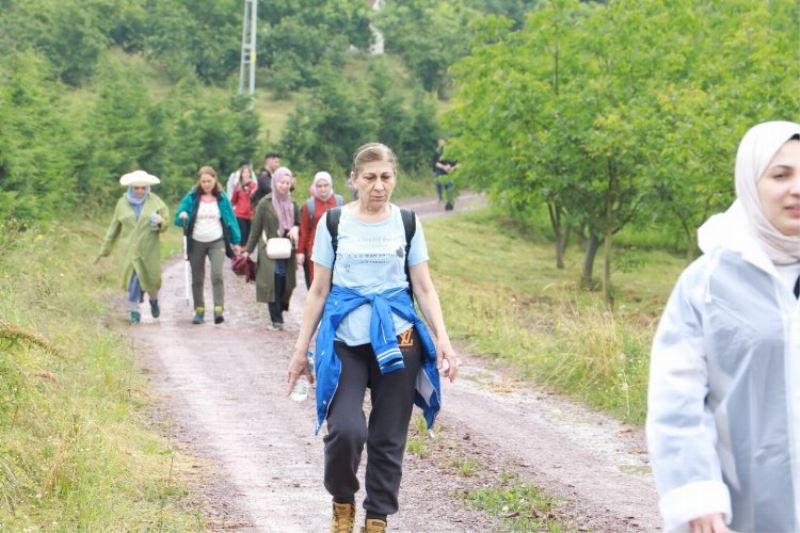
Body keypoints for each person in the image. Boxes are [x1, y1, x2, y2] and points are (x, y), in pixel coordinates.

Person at [286, 143, 459, 533]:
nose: (378, 186)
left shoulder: (408, 223)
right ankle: (342, 500)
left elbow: (424, 288)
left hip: (400, 341)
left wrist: (443, 341)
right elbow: (318, 291)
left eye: (386, 177)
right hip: (345, 341)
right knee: (347, 430)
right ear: (354, 180)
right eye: (370, 178)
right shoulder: (334, 223)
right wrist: (301, 352)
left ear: (393, 178)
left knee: (387, 436)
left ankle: (377, 519)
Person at [647, 121, 800, 533]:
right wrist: (697, 495)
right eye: (781, 175)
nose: (797, 188)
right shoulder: (709, 283)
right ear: (751, 183)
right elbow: (676, 401)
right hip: (741, 510)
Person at [97, 170, 169, 324]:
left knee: (151, 278)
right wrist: (105, 248)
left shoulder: (156, 202)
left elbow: (166, 222)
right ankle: (134, 310)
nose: (140, 191)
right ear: (131, 188)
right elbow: (114, 227)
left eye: (143, 188)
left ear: (147, 188)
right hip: (129, 248)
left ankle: (154, 300)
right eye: (136, 188)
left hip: (149, 248)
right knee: (133, 279)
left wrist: (161, 222)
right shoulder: (122, 204)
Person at [175, 166, 241, 325]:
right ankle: (199, 310)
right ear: (199, 181)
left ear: (215, 180)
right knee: (197, 278)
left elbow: (231, 219)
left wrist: (236, 241)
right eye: (203, 181)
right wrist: (182, 215)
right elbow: (178, 217)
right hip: (196, 241)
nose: (206, 184)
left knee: (217, 275)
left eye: (209, 181)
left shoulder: (222, 198)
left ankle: (218, 309)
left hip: (216, 240)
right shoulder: (192, 197)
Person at [242, 167, 299, 330]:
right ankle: (276, 319)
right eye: (281, 182)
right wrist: (248, 250)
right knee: (271, 283)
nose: (284, 186)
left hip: (287, 250)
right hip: (269, 249)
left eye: (287, 183)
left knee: (286, 284)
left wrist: (296, 228)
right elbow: (256, 228)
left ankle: (280, 308)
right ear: (275, 182)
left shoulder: (293, 204)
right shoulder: (265, 203)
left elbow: (298, 224)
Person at [297, 171, 344, 289]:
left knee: (336, 283)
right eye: (319, 186)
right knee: (316, 285)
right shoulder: (309, 205)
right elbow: (304, 230)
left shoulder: (339, 202)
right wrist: (300, 252)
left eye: (325, 185)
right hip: (315, 250)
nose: (323, 189)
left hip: (337, 249)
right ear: (315, 187)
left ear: (331, 185)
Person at [230, 164, 258, 244]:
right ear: (241, 174)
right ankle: (240, 254)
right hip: (240, 214)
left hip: (250, 215)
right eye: (244, 172)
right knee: (242, 236)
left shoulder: (254, 186)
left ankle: (245, 254)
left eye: (247, 172)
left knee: (248, 237)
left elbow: (256, 200)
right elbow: (233, 201)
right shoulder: (238, 186)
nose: (246, 174)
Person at [432, 138, 457, 210]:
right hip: (440, 171)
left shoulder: (451, 152)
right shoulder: (437, 152)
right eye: (439, 142)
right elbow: (435, 163)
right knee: (439, 182)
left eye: (442, 141)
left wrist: (452, 168)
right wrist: (443, 167)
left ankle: (449, 202)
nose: (440, 143)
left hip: (450, 172)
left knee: (450, 185)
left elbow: (457, 163)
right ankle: (440, 197)